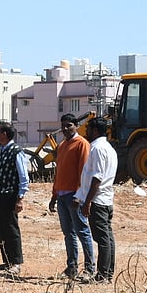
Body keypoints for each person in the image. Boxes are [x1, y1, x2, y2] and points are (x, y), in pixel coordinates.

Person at [48, 114, 95, 281]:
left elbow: (85, 173)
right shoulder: (62, 146)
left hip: (74, 197)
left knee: (82, 231)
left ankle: (90, 268)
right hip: (61, 196)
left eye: (69, 125)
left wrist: (80, 196)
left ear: (76, 125)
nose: (65, 129)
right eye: (63, 126)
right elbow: (58, 171)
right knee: (68, 233)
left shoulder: (82, 144)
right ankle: (72, 266)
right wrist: (54, 196)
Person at [75, 115, 118, 283]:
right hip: (105, 199)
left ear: (95, 130)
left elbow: (97, 177)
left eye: (88, 129)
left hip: (98, 200)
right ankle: (106, 273)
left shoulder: (97, 149)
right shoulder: (108, 148)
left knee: (102, 239)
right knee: (107, 238)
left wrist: (87, 202)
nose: (86, 132)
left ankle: (102, 275)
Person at [0, 121, 29, 276]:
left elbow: (23, 177)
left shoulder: (16, 151)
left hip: (9, 196)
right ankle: (7, 260)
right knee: (1, 229)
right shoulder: (3, 149)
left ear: (4, 134)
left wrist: (20, 198)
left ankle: (16, 262)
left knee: (11, 229)